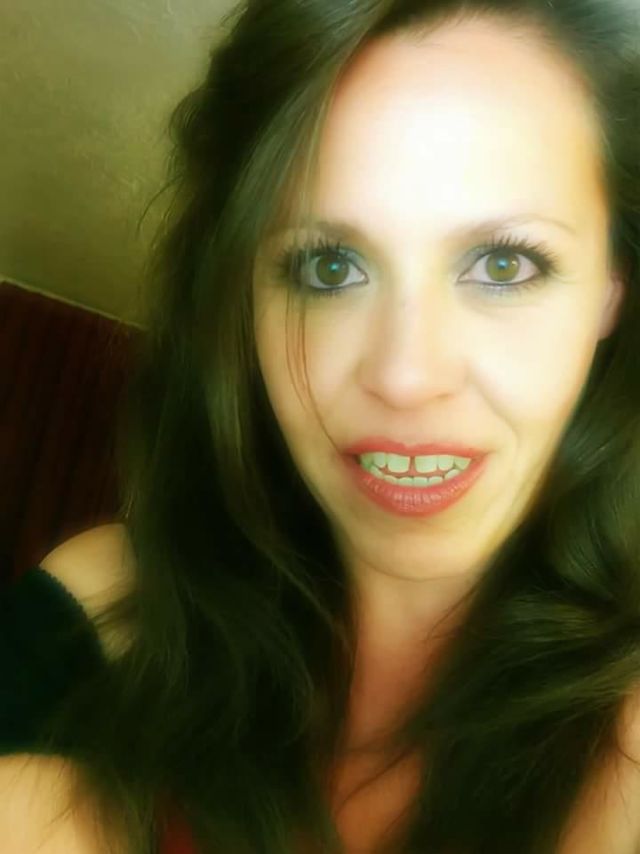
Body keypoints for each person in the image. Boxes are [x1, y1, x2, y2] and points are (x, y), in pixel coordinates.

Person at [2, 0, 639, 852]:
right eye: (328, 267)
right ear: (244, 299)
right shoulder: (109, 603)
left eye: (503, 262)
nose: (406, 377)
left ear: (610, 288)